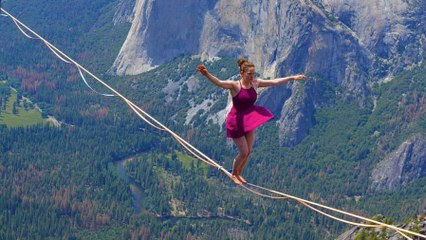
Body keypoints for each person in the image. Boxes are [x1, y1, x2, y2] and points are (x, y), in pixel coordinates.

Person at [197, 58, 306, 185]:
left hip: (248, 120)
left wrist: (292, 77)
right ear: (242, 73)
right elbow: (219, 83)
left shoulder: (255, 83)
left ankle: (238, 173)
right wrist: (206, 74)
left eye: (253, 74)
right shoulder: (235, 86)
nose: (252, 76)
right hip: (236, 122)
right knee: (243, 152)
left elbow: (274, 82)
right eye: (249, 74)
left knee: (248, 152)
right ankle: (234, 174)